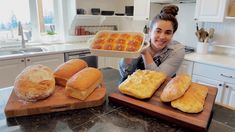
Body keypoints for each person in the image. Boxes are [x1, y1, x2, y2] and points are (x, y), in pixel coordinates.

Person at [119, 5, 185, 83]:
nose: (162, 37)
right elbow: (125, 73)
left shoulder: (177, 50)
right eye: (158, 31)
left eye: (168, 32)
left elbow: (157, 78)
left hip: (162, 90)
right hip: (139, 84)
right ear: (150, 31)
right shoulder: (141, 42)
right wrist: (129, 53)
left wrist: (145, 53)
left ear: (172, 34)